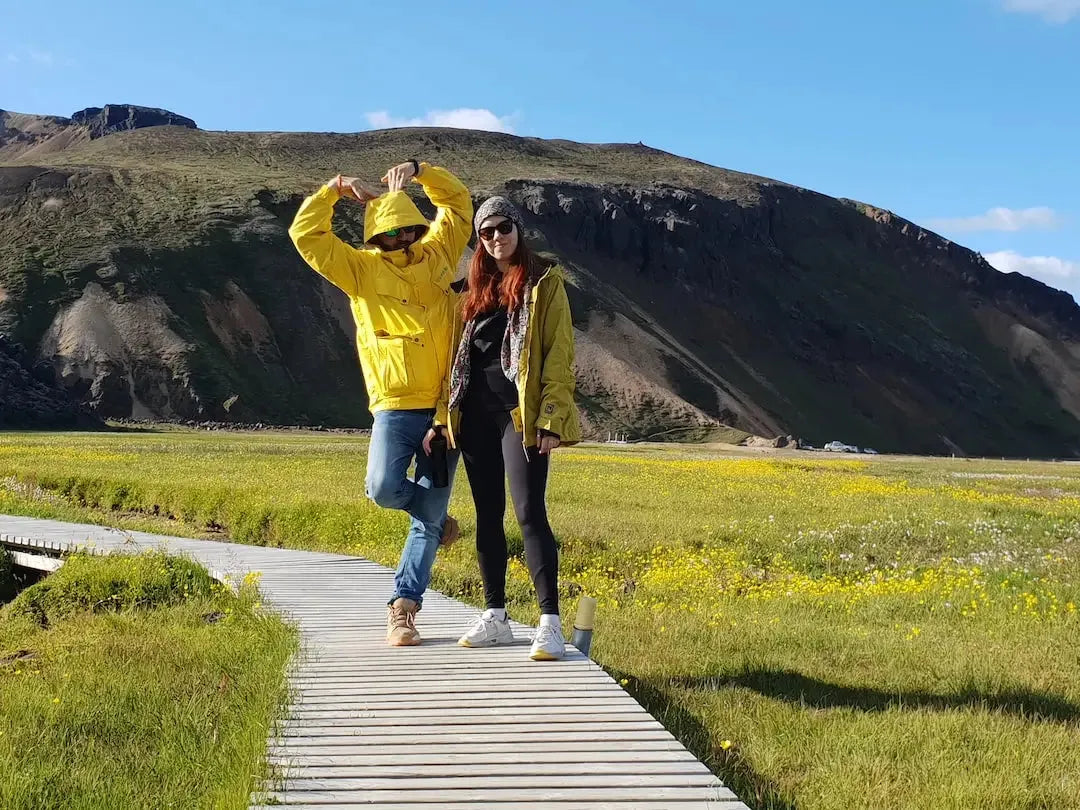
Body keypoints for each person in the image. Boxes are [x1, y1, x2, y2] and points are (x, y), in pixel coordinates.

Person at [289, 160, 472, 647]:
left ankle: (403, 608)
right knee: (383, 488)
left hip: (444, 407)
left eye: (405, 230)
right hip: (393, 403)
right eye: (388, 233)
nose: (398, 240)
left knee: (426, 519)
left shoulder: (438, 254)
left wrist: (422, 171)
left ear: (415, 226)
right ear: (374, 236)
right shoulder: (360, 269)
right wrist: (332, 190)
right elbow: (306, 236)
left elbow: (457, 205)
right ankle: (436, 517)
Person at [427, 196, 580, 660]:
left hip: (520, 415)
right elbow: (453, 359)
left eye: (503, 226)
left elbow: (558, 354)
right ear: (479, 239)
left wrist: (551, 418)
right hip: (474, 413)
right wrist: (440, 418)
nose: (497, 237)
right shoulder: (468, 290)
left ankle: (549, 622)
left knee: (530, 510)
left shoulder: (544, 284)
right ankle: (497, 616)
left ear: (518, 228)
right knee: (486, 514)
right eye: (487, 231)